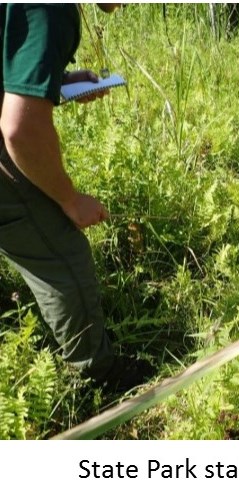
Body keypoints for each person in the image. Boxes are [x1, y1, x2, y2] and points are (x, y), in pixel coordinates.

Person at [0, 3, 151, 391]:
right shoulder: (51, 9)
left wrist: (57, 81)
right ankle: (98, 376)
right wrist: (69, 199)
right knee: (63, 255)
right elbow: (19, 129)